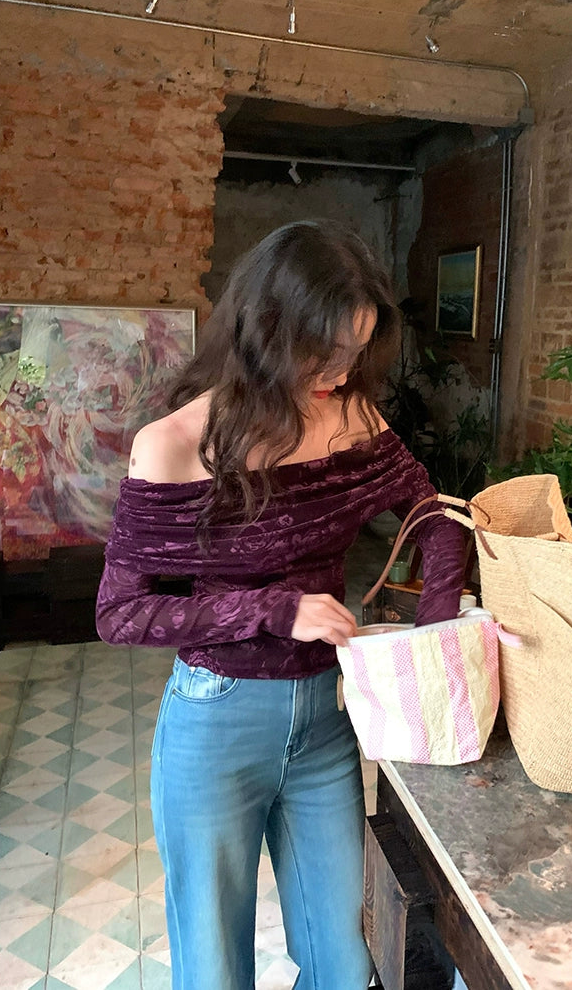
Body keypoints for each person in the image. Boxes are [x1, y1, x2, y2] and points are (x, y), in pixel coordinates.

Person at [95, 219, 466, 990]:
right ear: (269, 329)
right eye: (326, 351)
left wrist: (433, 634)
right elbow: (121, 612)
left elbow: (433, 515)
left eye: (357, 351)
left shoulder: (352, 417)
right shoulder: (172, 445)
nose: (342, 371)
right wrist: (274, 608)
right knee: (214, 968)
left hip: (325, 718)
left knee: (346, 957)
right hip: (214, 724)